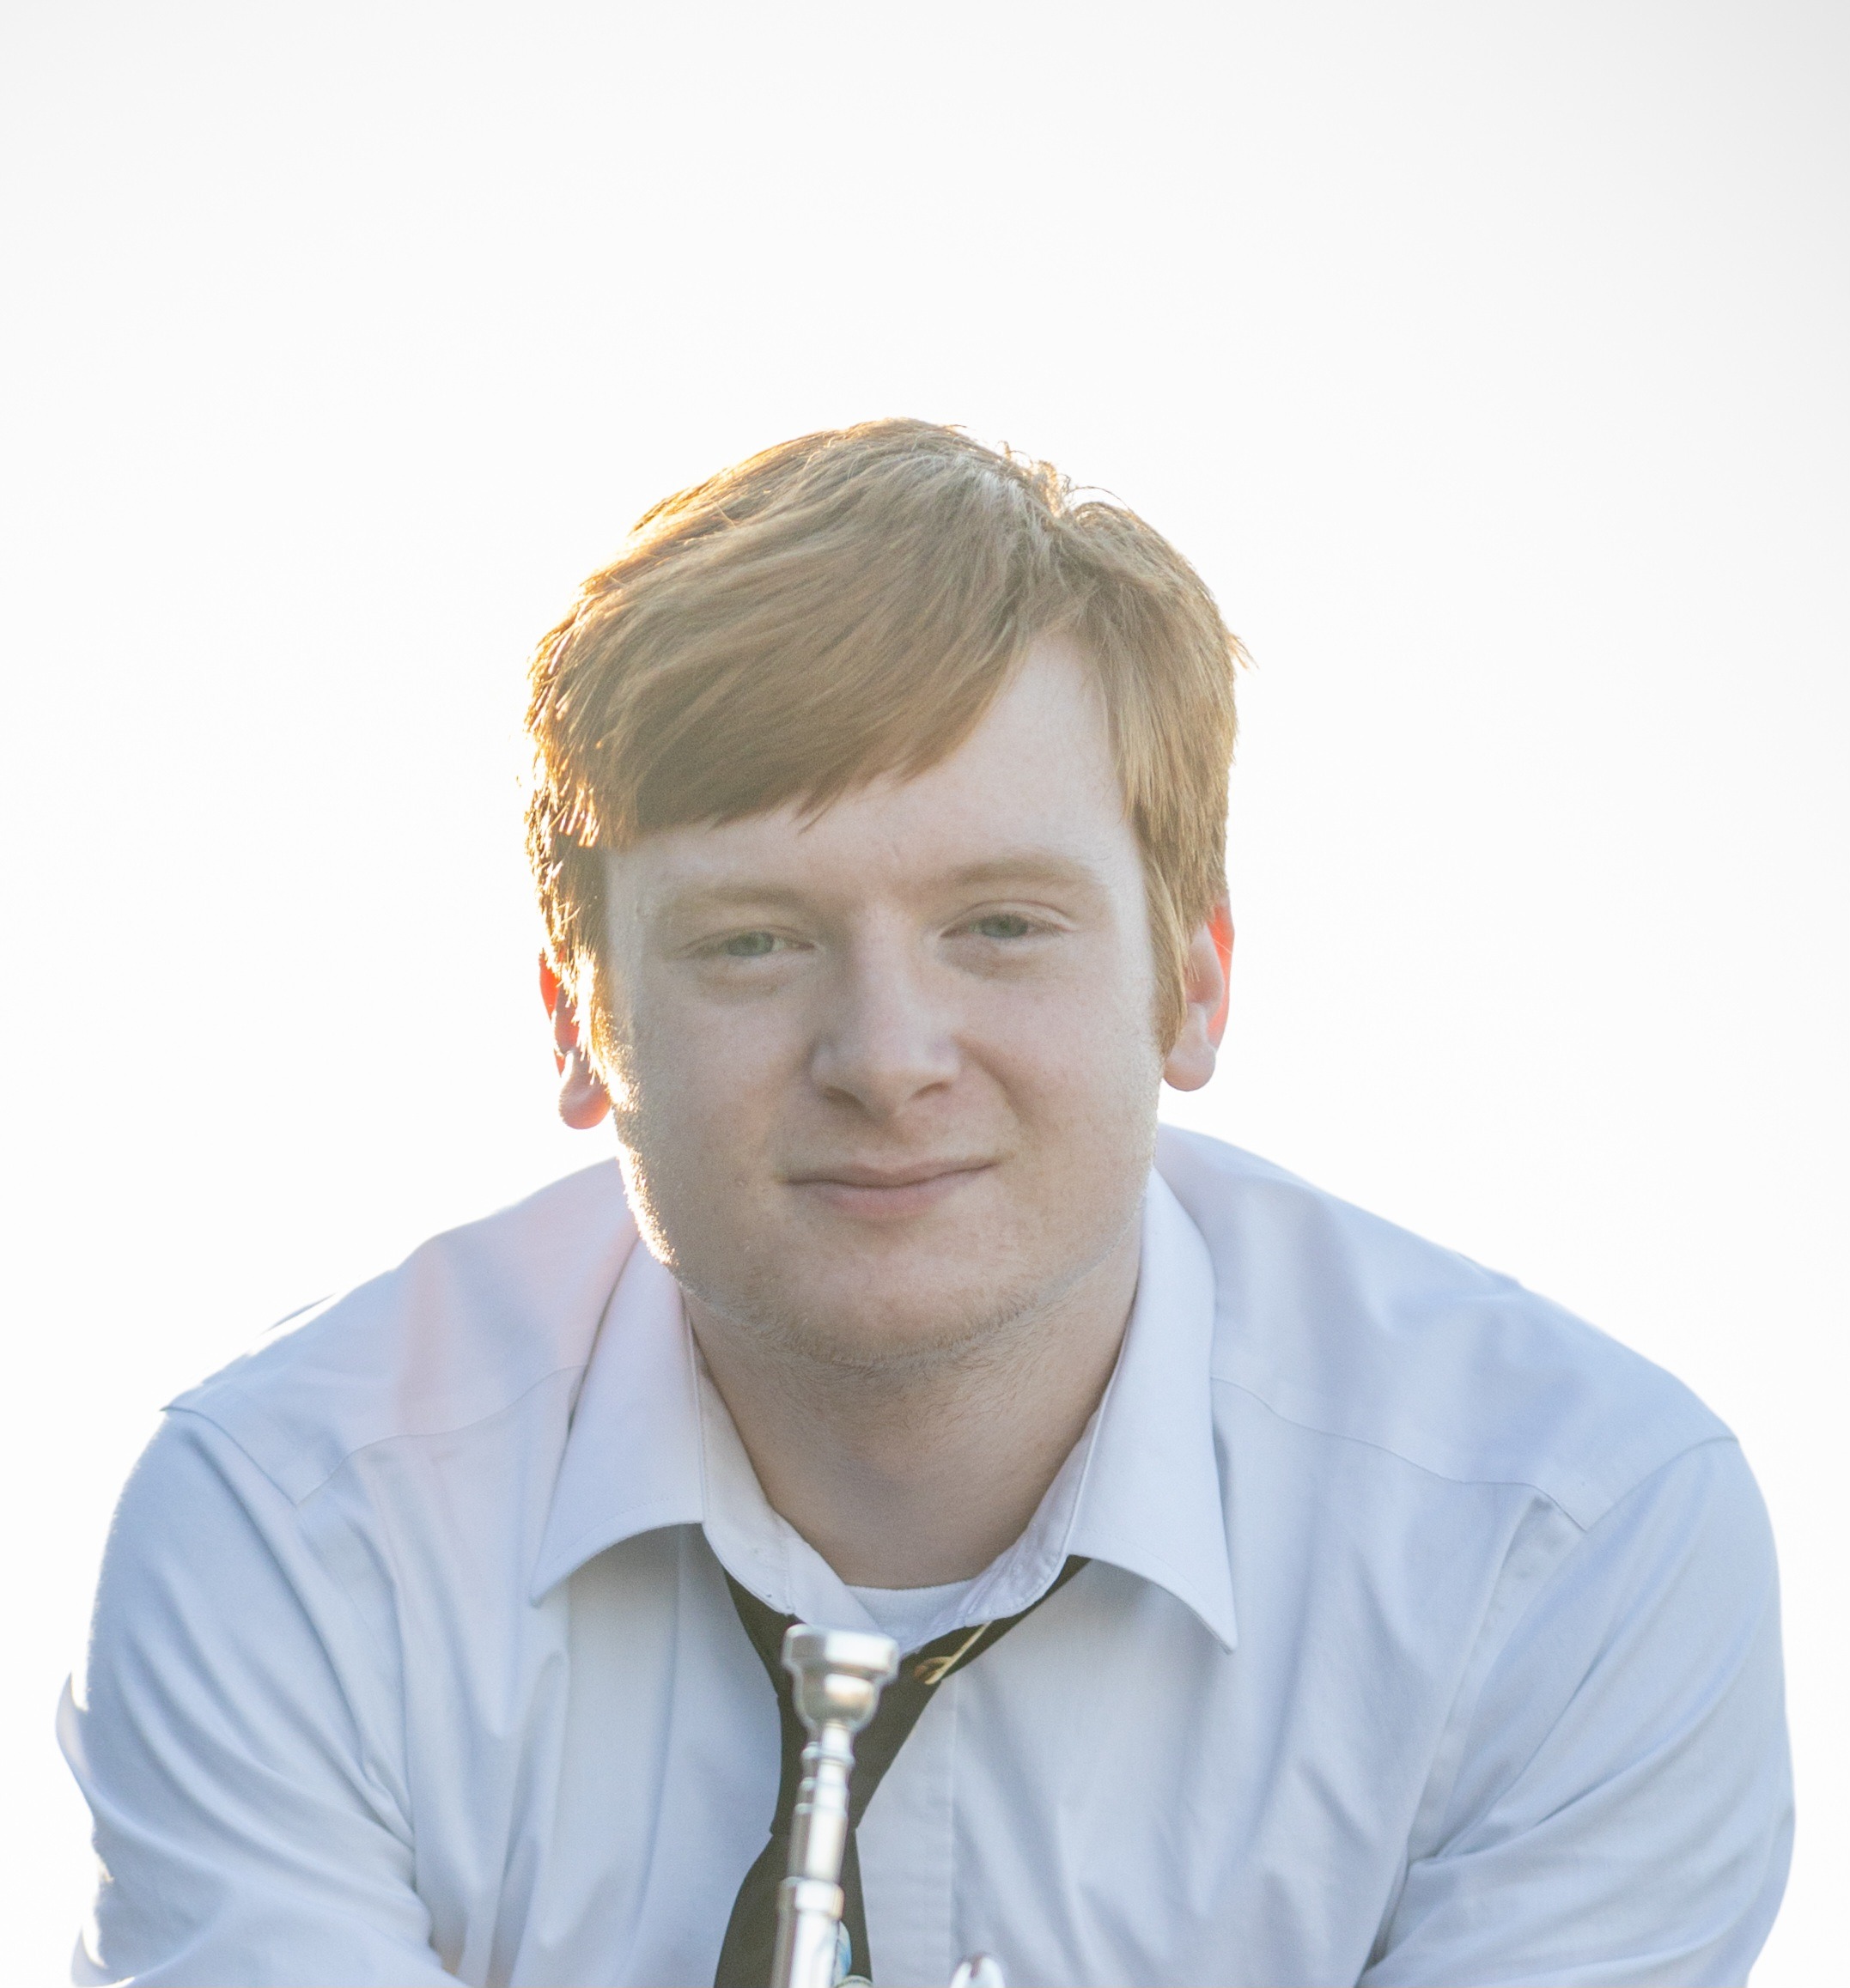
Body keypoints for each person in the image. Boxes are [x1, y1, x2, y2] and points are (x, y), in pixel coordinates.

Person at [61, 421, 1791, 1988]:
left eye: (1000, 926)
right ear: (579, 1021)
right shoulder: (287, 1532)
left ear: (1193, 984)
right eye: (754, 941)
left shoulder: (1571, 1541)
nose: (886, 1060)